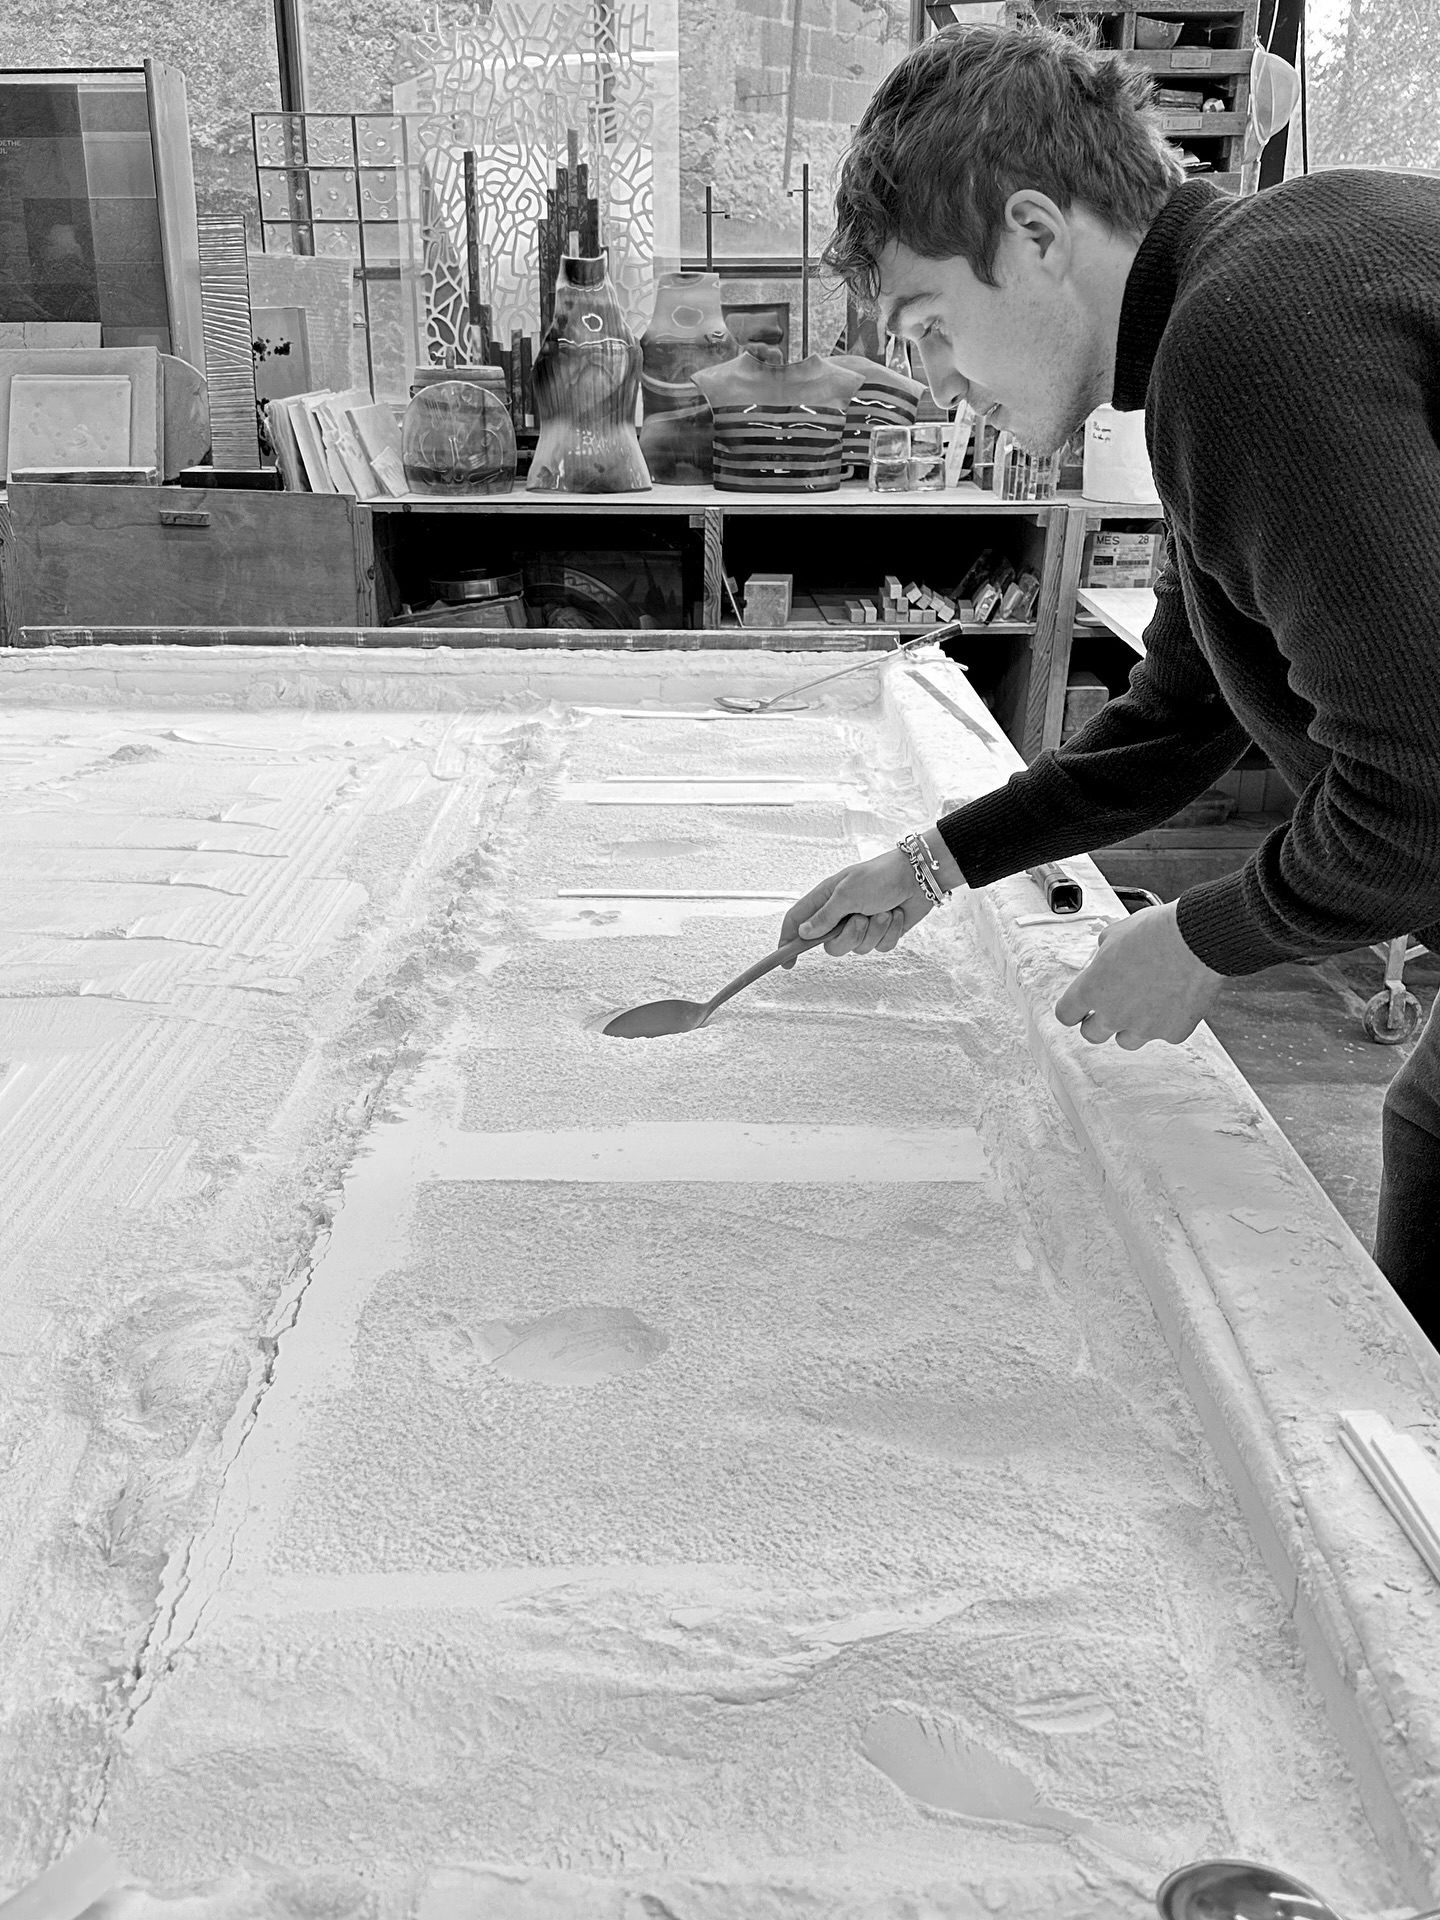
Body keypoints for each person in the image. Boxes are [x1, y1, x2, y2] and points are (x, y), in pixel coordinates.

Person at [778, 22, 1440, 1317]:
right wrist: (927, 866)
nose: (939, 383)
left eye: (928, 324)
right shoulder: (1254, 289)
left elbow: (1419, 789)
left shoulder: (1249, 340)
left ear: (1034, 233)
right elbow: (1182, 717)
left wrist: (1207, 937)